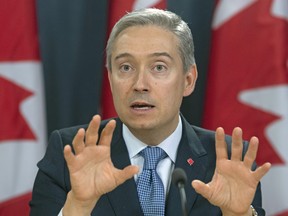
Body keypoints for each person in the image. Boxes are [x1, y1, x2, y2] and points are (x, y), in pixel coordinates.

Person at [29, 8, 271, 216]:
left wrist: (238, 214)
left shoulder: (230, 160)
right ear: (111, 80)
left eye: (158, 67)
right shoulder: (70, 152)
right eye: (125, 67)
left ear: (188, 80)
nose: (140, 84)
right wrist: (78, 207)